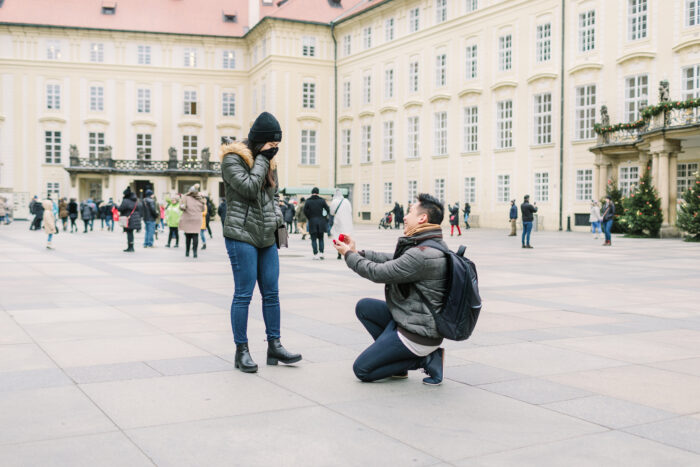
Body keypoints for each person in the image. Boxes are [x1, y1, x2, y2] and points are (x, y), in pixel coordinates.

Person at [332, 193, 447, 385]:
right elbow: (392, 259)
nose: (404, 216)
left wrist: (348, 256)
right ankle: (399, 365)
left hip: (418, 334)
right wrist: (357, 252)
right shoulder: (430, 245)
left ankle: (426, 359)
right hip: (413, 320)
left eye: (409, 211)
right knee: (365, 307)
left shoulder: (423, 254)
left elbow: (378, 272)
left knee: (362, 370)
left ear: (422, 218)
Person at [220, 112, 301, 373]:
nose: (274, 150)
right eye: (271, 145)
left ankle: (274, 345)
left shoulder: (268, 163)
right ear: (259, 142)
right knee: (243, 294)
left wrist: (280, 227)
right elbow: (249, 188)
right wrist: (262, 161)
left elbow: (271, 198)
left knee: (272, 294)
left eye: (277, 146)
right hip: (241, 234)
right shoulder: (232, 159)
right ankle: (241, 351)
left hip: (267, 236)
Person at [304, 187, 330, 260]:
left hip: (312, 221)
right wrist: (324, 217)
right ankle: (321, 253)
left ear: (311, 192)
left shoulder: (308, 201)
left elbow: (305, 211)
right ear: (318, 193)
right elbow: (328, 209)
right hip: (321, 221)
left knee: (313, 239)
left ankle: (315, 254)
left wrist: (310, 217)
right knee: (321, 238)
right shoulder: (322, 200)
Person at [179, 185, 205, 258]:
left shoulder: (185, 197)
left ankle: (187, 252)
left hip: (187, 218)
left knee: (188, 237)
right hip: (197, 219)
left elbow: (181, 207)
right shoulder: (200, 199)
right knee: (195, 236)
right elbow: (203, 209)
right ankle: (195, 253)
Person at [330, 189, 353, 260]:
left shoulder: (334, 201)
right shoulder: (346, 201)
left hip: (338, 221)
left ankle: (339, 252)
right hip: (347, 221)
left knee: (338, 236)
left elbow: (332, 212)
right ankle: (348, 252)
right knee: (346, 236)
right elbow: (350, 210)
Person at [118, 187, 142, 252]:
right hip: (135, 218)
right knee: (131, 233)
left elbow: (120, 208)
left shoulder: (126, 201)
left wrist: (117, 207)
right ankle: (131, 246)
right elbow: (140, 208)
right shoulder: (136, 201)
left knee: (129, 233)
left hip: (128, 219)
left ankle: (130, 247)